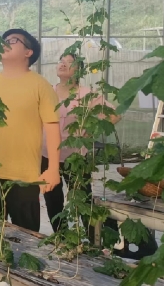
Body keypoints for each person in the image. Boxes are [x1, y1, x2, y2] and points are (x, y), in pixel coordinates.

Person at [0, 29, 61, 233]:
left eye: (13, 40)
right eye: (4, 40)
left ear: (28, 52)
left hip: (25, 175)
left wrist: (53, 169)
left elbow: (52, 129)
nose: (5, 43)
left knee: (25, 236)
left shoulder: (41, 85)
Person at [42, 52, 121, 233]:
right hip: (47, 155)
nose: (63, 64)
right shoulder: (47, 91)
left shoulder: (86, 94)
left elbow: (115, 114)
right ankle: (61, 238)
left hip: (75, 157)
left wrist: (91, 131)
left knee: (82, 198)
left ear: (79, 71)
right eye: (61, 61)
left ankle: (93, 239)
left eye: (70, 62)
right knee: (52, 200)